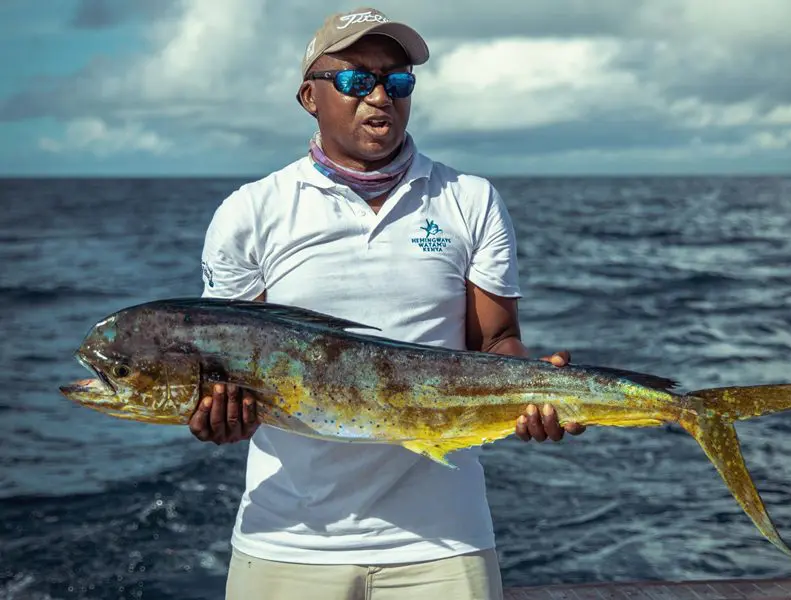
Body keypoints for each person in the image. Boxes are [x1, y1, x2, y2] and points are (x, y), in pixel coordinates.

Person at [190, 7, 585, 599]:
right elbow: (228, 369)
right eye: (355, 80)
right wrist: (217, 416)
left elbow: (496, 342)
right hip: (288, 540)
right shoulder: (250, 212)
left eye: (397, 81)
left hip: (446, 540)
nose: (380, 95)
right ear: (309, 97)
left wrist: (535, 389)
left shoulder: (469, 199)